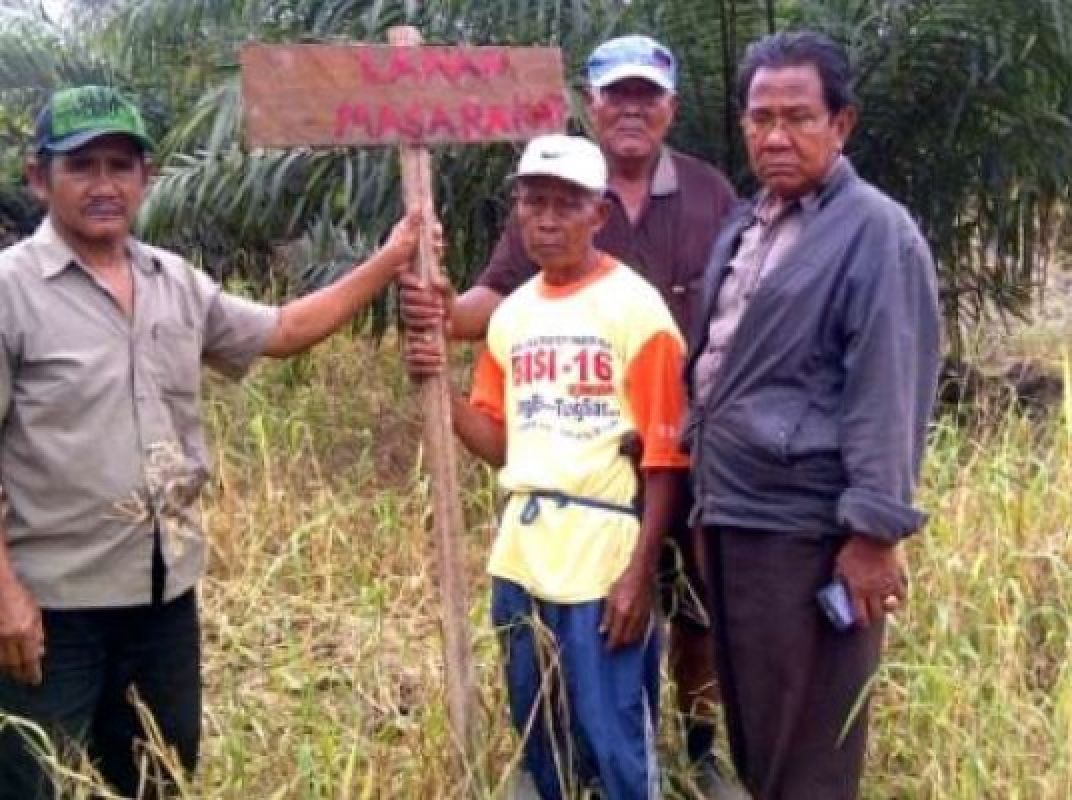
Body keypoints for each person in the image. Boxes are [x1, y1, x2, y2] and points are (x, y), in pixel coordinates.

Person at [0, 85, 425, 799]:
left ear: (146, 177)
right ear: (40, 178)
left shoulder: (174, 282)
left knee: (161, 776)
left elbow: (283, 331)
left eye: (120, 165)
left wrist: (391, 259)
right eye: (82, 167)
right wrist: (4, 593)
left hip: (164, 594)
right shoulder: (11, 291)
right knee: (29, 783)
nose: (104, 185)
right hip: (49, 606)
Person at [400, 35, 738, 791]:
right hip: (532, 545)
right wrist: (440, 347)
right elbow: (497, 425)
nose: (548, 220)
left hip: (658, 477)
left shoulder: (706, 202)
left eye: (645, 96)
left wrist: (636, 568)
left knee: (689, 626)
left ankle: (703, 750)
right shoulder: (517, 314)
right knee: (545, 715)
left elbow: (743, 307)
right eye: (535, 204)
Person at [683, 32, 941, 800]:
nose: (775, 136)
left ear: (843, 124)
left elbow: (891, 387)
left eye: (798, 117)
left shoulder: (875, 233)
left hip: (808, 526)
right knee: (759, 722)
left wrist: (872, 533)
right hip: (734, 512)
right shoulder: (746, 223)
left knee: (811, 740)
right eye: (760, 118)